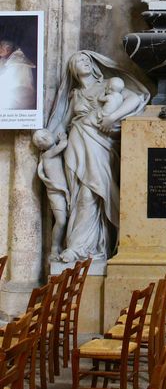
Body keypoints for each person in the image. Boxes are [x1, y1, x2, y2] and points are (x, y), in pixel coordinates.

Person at [46, 51, 149, 262]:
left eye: (86, 60)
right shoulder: (75, 94)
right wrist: (45, 137)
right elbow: (63, 122)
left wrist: (112, 117)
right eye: (77, 61)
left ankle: (86, 247)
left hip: (100, 145)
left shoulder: (108, 85)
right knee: (78, 195)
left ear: (93, 65)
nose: (83, 63)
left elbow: (136, 98)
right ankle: (78, 248)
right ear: (73, 70)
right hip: (76, 145)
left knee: (93, 192)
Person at [32, 129, 69, 260]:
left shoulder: (52, 152)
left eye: (46, 135)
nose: (46, 138)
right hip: (55, 192)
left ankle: (62, 246)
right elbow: (63, 145)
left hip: (62, 191)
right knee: (61, 220)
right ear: (40, 147)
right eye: (42, 139)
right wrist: (63, 138)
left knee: (66, 219)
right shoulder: (47, 155)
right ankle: (54, 248)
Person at [0, 39, 36, 110]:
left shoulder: (17, 63)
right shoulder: (6, 58)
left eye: (0, 47)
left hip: (18, 104)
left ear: (7, 48)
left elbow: (5, 84)